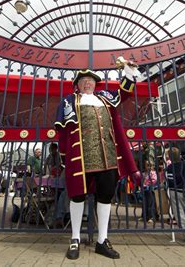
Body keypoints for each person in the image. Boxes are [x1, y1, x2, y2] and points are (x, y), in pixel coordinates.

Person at [55, 62, 141, 260]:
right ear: (77, 85)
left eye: (91, 81)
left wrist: (128, 71)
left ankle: (102, 240)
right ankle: (75, 238)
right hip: (80, 159)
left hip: (107, 157)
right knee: (77, 196)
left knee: (105, 197)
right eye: (83, 81)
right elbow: (62, 134)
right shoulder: (69, 102)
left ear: (96, 84)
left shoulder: (104, 98)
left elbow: (124, 93)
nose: (87, 83)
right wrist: (64, 157)